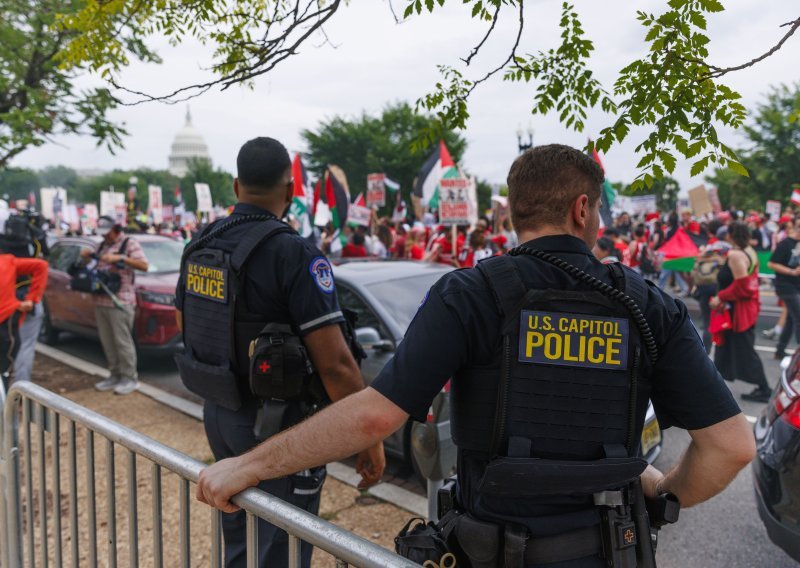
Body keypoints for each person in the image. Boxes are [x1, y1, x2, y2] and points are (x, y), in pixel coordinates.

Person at [197, 144, 754, 567]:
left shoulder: (472, 293)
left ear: (514, 212)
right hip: (611, 550)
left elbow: (375, 414)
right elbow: (730, 446)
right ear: (584, 209)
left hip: (493, 549)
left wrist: (245, 465)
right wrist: (662, 493)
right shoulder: (648, 305)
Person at [175, 137, 384, 568]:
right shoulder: (294, 253)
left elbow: (187, 326)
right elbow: (338, 364)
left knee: (238, 531)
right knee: (280, 549)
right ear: (290, 191)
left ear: (236, 187)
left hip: (220, 410)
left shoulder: (201, 243)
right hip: (280, 430)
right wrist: (369, 435)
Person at [81, 217, 149, 395]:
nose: (106, 236)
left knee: (122, 342)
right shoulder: (101, 245)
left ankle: (129, 378)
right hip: (101, 299)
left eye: (108, 232)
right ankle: (115, 374)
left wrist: (120, 258)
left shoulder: (129, 243)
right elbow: (91, 266)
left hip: (121, 300)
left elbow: (144, 265)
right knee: (108, 341)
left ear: (116, 229)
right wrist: (86, 257)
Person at [710, 221, 771, 402]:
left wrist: (720, 296)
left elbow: (742, 287)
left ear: (729, 235)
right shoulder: (750, 251)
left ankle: (764, 388)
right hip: (742, 309)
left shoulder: (736, 255)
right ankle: (713, 386)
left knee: (744, 350)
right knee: (724, 348)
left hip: (737, 311)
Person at [0, 210, 50, 382]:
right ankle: (21, 389)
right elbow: (44, 259)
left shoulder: (6, 252)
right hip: (22, 299)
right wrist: (33, 297)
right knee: (24, 346)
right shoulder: (33, 238)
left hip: (11, 300)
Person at [768, 216, 800, 360]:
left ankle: (780, 351)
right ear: (793, 226)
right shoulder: (785, 243)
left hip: (797, 285)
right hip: (785, 285)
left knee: (792, 319)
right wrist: (791, 271)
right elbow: (772, 264)